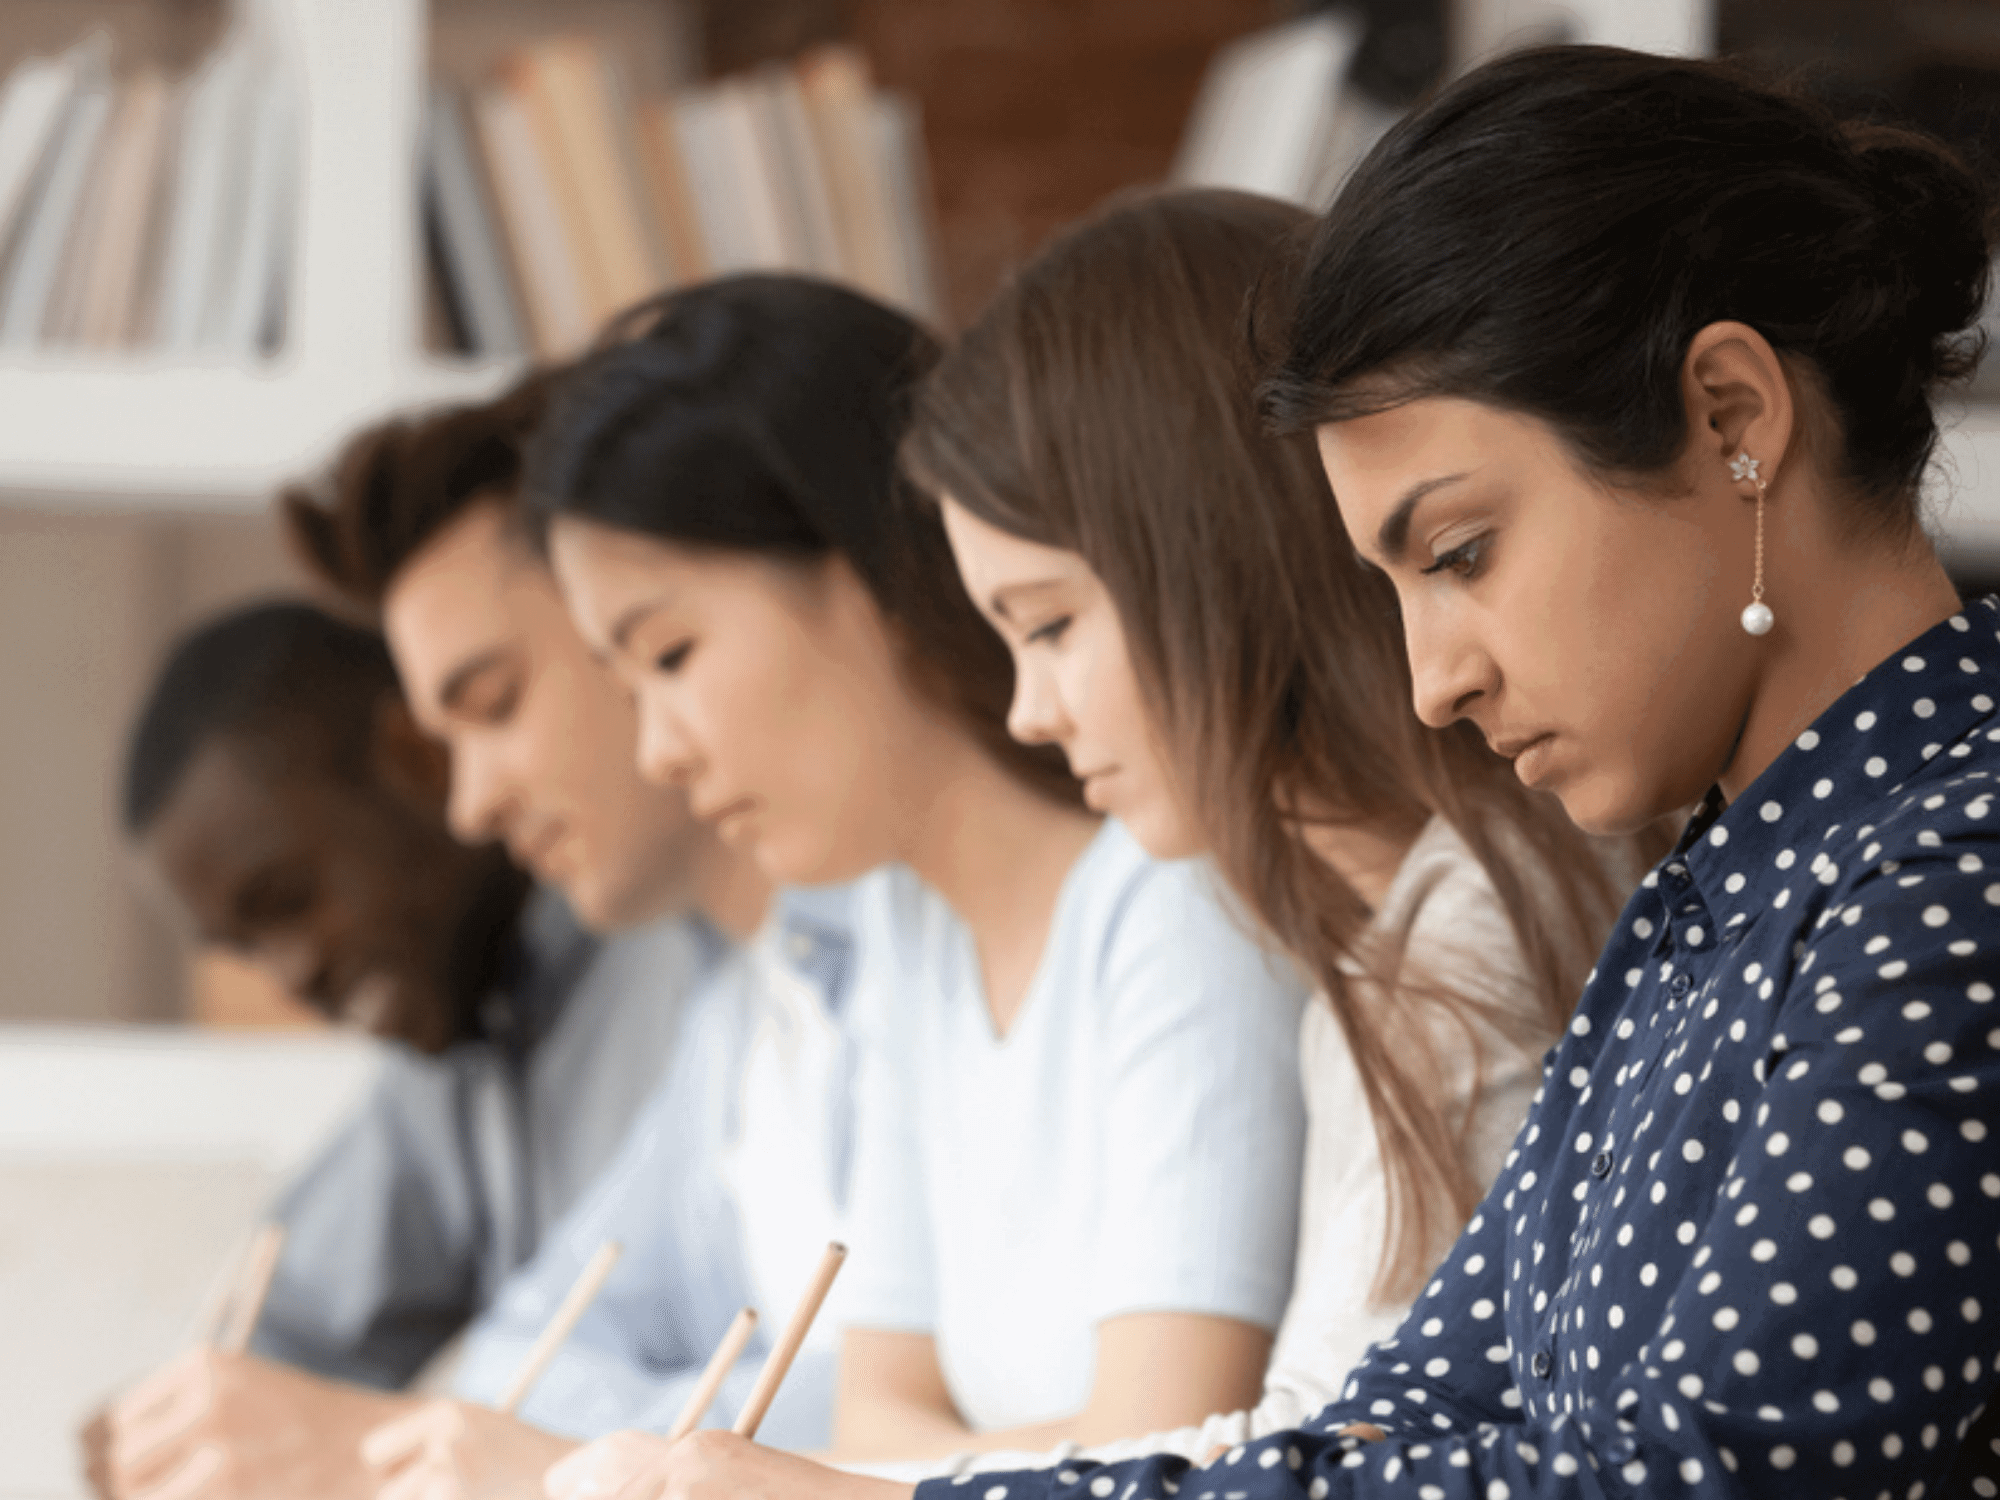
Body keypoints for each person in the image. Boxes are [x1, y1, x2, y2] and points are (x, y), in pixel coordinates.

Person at [594, 43, 2000, 1500]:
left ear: (1731, 417)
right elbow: (1391, 1424)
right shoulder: (1707, 907)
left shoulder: (1959, 872)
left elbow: (1697, 1486)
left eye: (1462, 554)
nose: (1431, 678)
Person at [541, 189, 1631, 1500]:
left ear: (1202, 560)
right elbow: (1288, 1450)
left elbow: (1308, 1464)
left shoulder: (1409, 931)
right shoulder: (1372, 966)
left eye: (1051, 627)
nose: (1027, 707)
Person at [523, 275, 1309, 1469]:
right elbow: (869, 1419)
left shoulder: (1176, 899)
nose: (657, 749)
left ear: (867, 566)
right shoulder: (908, 927)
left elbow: (1155, 1456)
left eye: (671, 654)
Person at [98, 595, 714, 1496]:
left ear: (417, 761)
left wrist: (375, 1445)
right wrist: (176, 1430)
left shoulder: (679, 963)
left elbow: (792, 1399)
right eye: (244, 948)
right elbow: (283, 1338)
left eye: (288, 898)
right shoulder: (455, 1050)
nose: (292, 976)